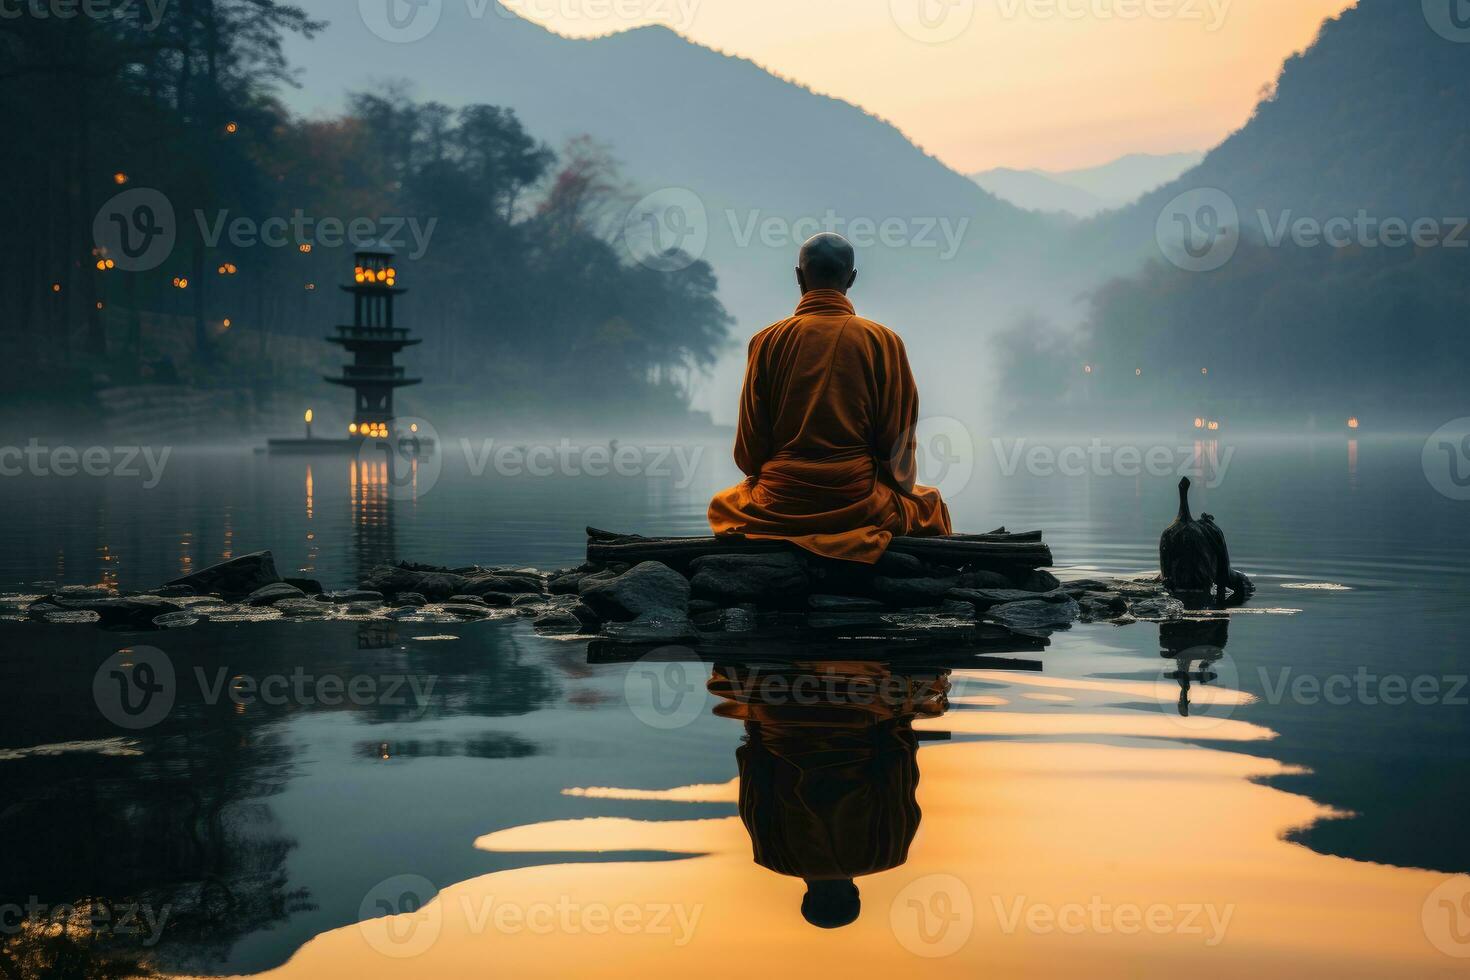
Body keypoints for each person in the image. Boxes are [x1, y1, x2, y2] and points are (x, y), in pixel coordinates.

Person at [708, 233, 952, 564]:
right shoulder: (883, 341)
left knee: (724, 504)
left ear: (798, 276)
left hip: (779, 505)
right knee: (929, 503)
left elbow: (750, 454)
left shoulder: (765, 342)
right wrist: (893, 487)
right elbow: (897, 454)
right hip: (859, 504)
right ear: (851, 279)